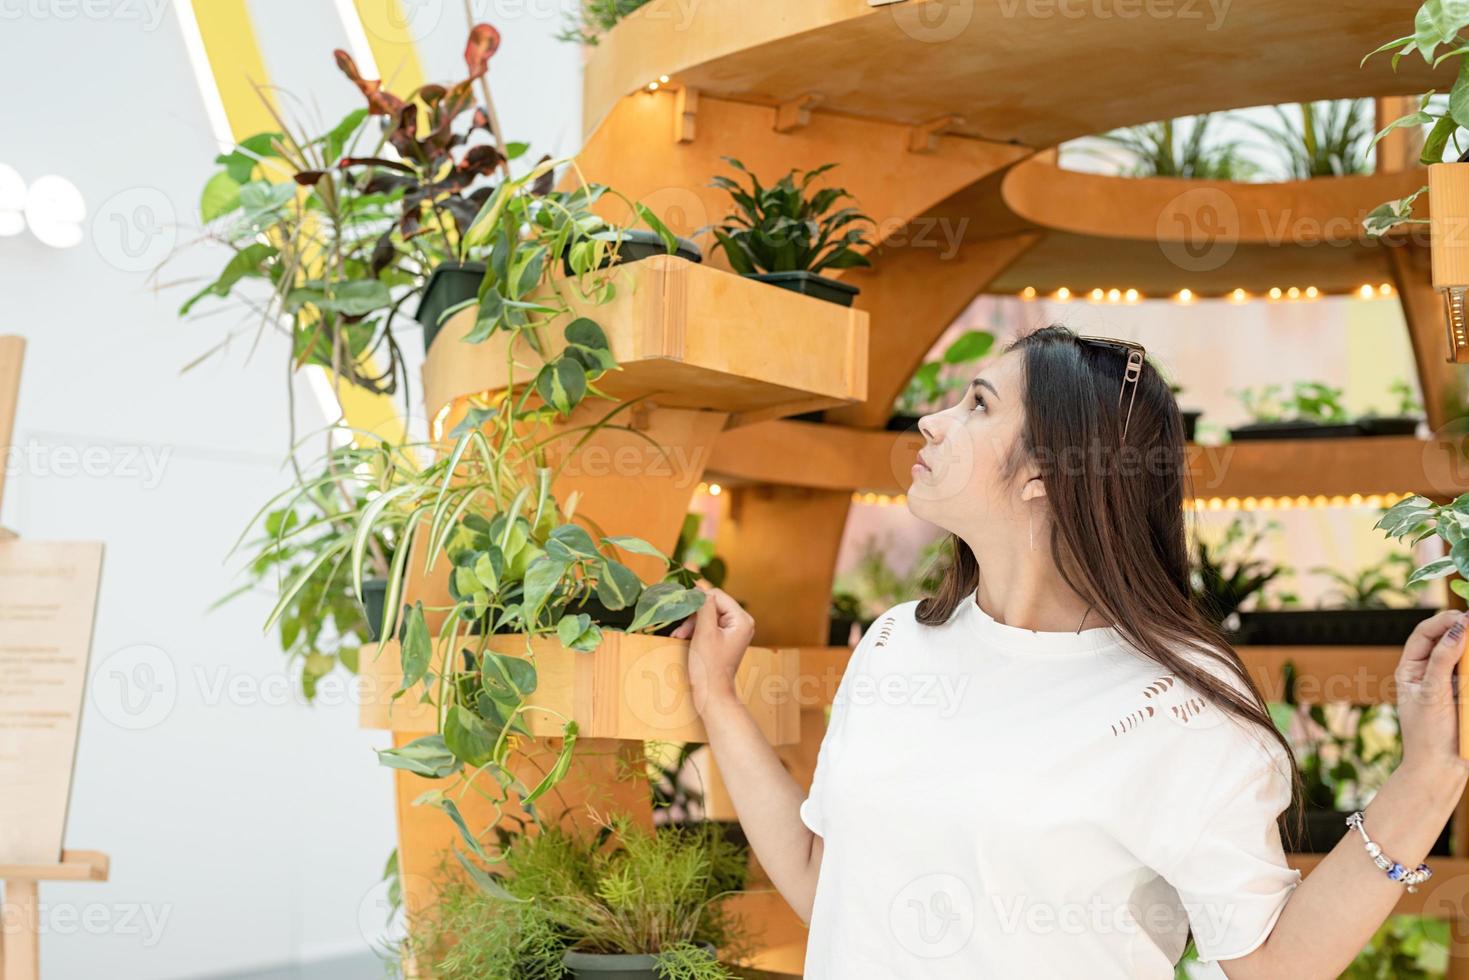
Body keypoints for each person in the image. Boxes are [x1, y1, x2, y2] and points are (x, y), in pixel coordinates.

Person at [672, 325, 1469, 979]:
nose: (933, 421)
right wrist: (717, 698)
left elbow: (1271, 966)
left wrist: (1426, 781)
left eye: (977, 405)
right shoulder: (897, 641)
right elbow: (824, 882)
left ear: (1047, 472)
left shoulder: (1174, 700)